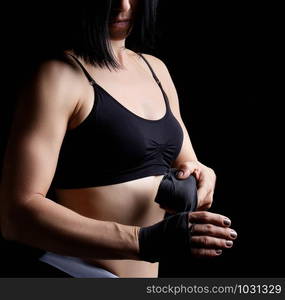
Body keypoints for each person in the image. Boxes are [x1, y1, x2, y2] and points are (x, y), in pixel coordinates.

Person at [0, 0, 237, 278]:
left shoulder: (155, 70)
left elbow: (188, 162)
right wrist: (142, 241)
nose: (122, 5)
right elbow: (17, 215)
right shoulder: (59, 76)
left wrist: (203, 177)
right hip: (78, 275)